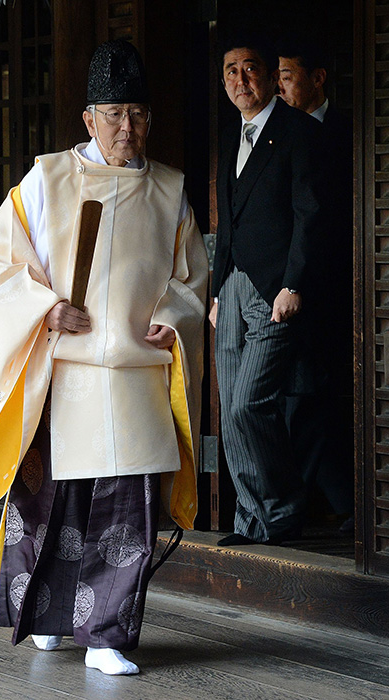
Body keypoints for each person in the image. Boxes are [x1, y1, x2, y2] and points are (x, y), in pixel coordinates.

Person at [0, 39, 207, 676]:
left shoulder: (171, 191)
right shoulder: (47, 181)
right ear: (89, 119)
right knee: (53, 505)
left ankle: (108, 635)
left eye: (140, 115)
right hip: (63, 371)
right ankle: (50, 622)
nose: (129, 128)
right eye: (116, 114)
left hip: (137, 376)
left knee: (128, 510)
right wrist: (44, 308)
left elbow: (192, 279)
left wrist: (173, 318)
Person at [210, 33, 323, 546]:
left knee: (247, 405)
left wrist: (293, 283)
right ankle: (251, 521)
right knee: (229, 406)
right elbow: (228, 224)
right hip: (231, 287)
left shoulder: (297, 130)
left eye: (250, 68)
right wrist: (215, 292)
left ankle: (283, 507)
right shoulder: (229, 133)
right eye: (231, 70)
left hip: (275, 290)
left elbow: (310, 213)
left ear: (270, 75)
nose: (241, 79)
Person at [278, 38, 354, 531]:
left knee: (339, 395)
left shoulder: (347, 131)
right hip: (296, 285)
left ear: (318, 78)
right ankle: (327, 503)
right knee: (300, 395)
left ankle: (348, 503)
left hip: (348, 282)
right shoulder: (278, 133)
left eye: (287, 76)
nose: (280, 86)